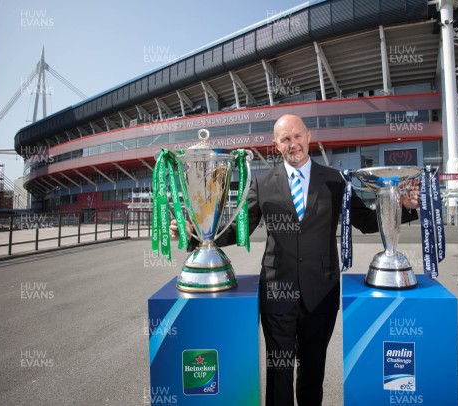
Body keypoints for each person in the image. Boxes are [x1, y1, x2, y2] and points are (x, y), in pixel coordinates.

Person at [171, 114, 418, 406]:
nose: (293, 144)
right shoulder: (262, 183)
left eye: (297, 136)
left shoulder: (335, 181)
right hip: (277, 294)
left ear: (309, 137)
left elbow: (364, 220)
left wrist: (403, 207)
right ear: (277, 145)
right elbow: (241, 229)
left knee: (313, 372)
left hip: (321, 294)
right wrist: (197, 236)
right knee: (280, 372)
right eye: (286, 139)